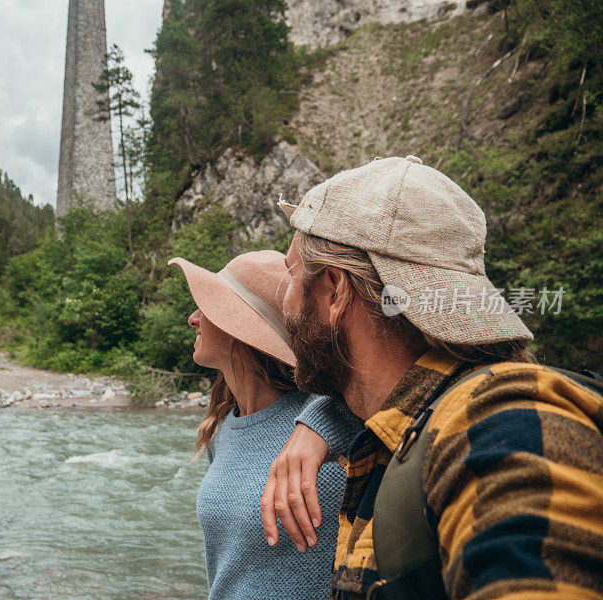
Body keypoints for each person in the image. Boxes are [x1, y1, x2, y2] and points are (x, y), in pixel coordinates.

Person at [259, 155, 603, 599]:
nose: (282, 300)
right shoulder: (401, 429)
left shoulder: (496, 417)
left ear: (335, 290)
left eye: (290, 274)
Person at [169, 250, 362, 600]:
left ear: (241, 329)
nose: (192, 318)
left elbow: (396, 409)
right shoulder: (222, 429)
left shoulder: (331, 423)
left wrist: (321, 423)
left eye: (207, 307)